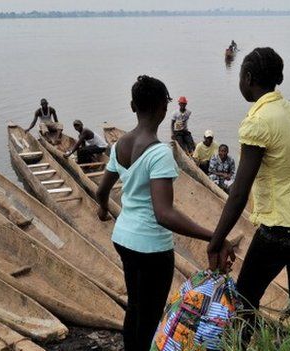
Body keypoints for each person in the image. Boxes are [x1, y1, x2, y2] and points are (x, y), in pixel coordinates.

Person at [96, 75, 233, 351]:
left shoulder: (119, 145)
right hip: (151, 249)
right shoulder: (159, 154)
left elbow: (101, 192)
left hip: (123, 238)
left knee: (134, 306)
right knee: (149, 317)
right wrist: (213, 235)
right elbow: (164, 214)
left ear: (133, 106)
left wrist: (102, 210)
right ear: (163, 108)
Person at [206, 47, 290, 339]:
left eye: (240, 77)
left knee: (244, 301)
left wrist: (216, 241)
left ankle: (241, 345)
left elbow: (238, 192)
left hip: (282, 229)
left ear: (247, 78)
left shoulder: (258, 122)